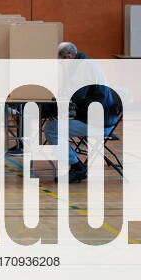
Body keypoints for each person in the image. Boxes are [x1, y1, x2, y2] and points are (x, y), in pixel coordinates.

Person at [43, 42, 121, 184]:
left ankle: (77, 167)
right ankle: (75, 165)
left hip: (99, 122)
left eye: (61, 63)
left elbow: (74, 96)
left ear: (68, 56)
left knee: (51, 129)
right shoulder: (82, 63)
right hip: (98, 117)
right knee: (55, 124)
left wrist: (51, 107)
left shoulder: (83, 68)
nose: (61, 66)